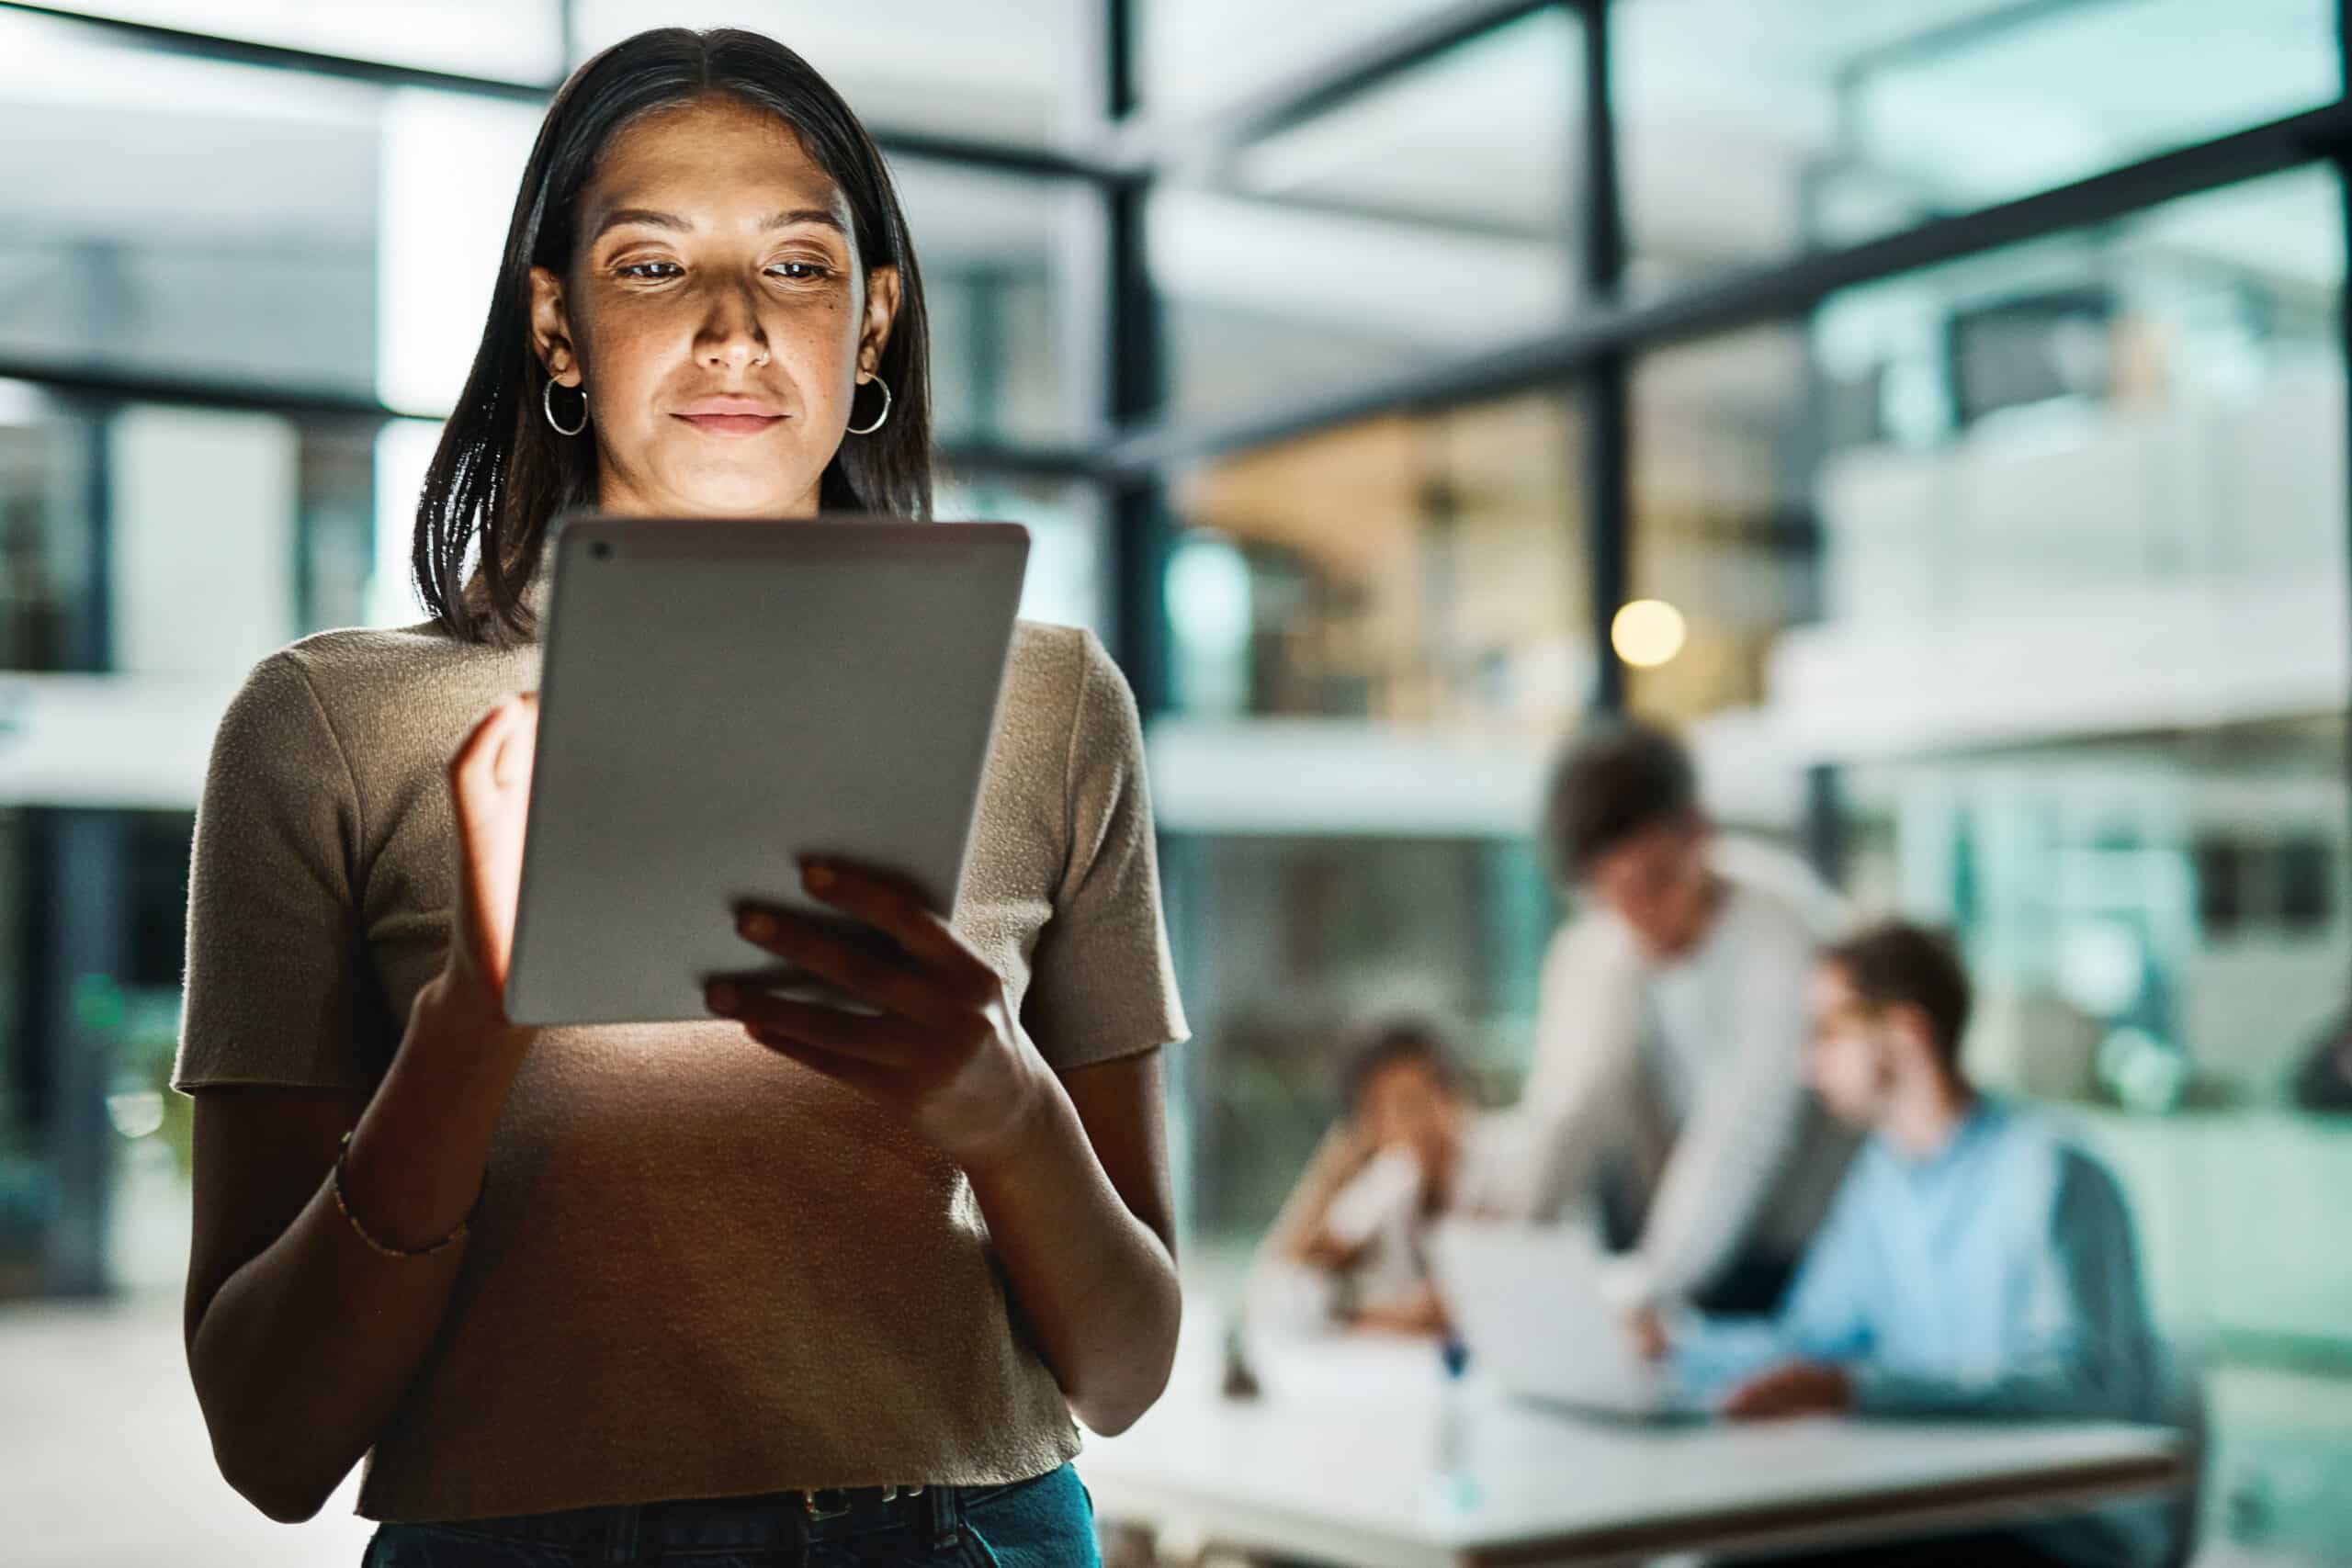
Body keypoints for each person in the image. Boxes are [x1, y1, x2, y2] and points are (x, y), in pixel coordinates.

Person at [172, 28, 1188, 1568]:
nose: (732, 330)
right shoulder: (327, 727)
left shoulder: (1045, 703)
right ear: (557, 323)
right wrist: (474, 1022)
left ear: (874, 319)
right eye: (652, 269)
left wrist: (997, 1095)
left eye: (796, 264)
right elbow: (269, 1437)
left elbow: (1126, 1369)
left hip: (966, 1538)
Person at [1652, 921, 2173, 1568]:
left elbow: (2085, 1389)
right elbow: (1809, 1344)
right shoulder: (1880, 1179)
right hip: (1926, 1502)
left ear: (1903, 1031)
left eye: (1827, 1030)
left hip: (2052, 1528)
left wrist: (1858, 1391)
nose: (1808, 1063)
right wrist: (1675, 1344)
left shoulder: (2051, 1172)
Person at [1496, 718, 1855, 1320]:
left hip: (1795, 1257)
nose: (1638, 913)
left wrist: (1648, 1288)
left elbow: (1742, 1132)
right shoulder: (1596, 948)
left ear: (1699, 833)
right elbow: (1564, 1114)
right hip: (1672, 1249)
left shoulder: (1782, 932)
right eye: (1612, 893)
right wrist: (1502, 1256)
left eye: (1655, 880)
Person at [1247, 1017, 1511, 1338]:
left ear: (1453, 1095)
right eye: (1382, 1111)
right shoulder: (1392, 1179)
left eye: (1414, 1101)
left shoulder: (1504, 1168)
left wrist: (1345, 1312)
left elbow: (1457, 1309)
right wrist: (1330, 1172)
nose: (1409, 1123)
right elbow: (1274, 1287)